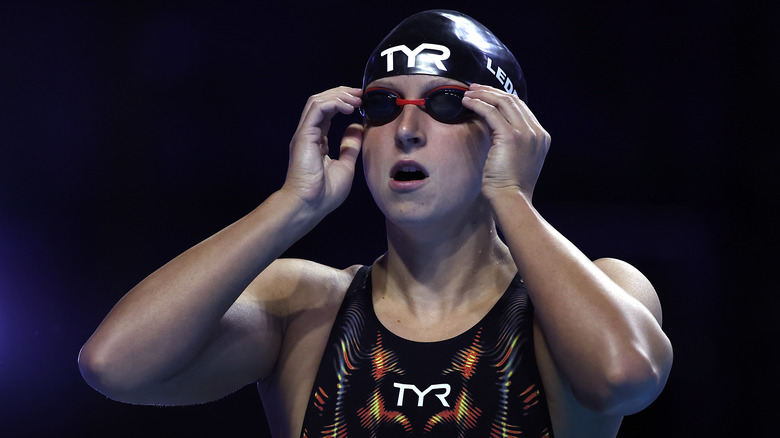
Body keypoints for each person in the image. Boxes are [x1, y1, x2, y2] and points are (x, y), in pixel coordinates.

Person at [79, 10, 673, 438]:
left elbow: (625, 378)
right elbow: (114, 364)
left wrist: (511, 196)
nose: (407, 130)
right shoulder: (306, 308)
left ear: (505, 131)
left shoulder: (587, 297)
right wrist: (293, 205)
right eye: (384, 106)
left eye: (445, 104)